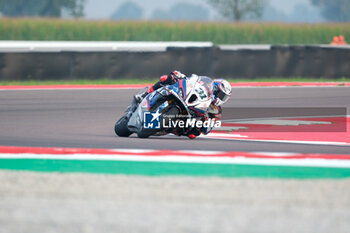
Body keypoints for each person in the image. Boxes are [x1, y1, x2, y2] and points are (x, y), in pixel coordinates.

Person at [135, 70, 232, 139]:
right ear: (215, 88)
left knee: (193, 134)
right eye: (220, 94)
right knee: (168, 77)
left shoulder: (216, 110)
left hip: (189, 122)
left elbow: (207, 130)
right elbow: (193, 80)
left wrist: (206, 121)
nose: (220, 98)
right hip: (185, 99)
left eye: (224, 97)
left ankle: (167, 127)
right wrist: (182, 77)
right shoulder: (204, 85)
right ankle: (145, 94)